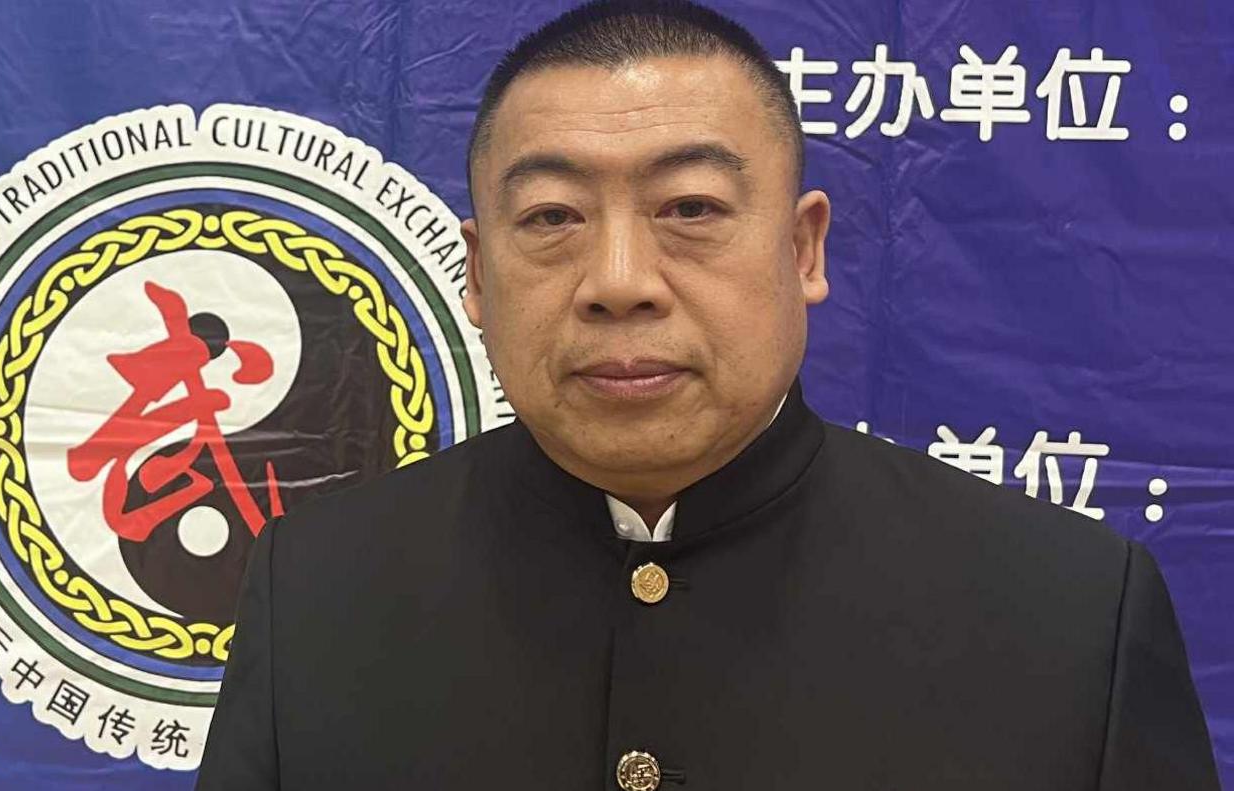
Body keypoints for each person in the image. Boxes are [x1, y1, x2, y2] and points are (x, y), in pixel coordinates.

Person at [196, 1, 1219, 788]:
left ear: (803, 246)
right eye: (551, 217)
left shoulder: (1071, 612)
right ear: (473, 271)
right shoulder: (318, 590)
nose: (618, 280)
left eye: (690, 207)